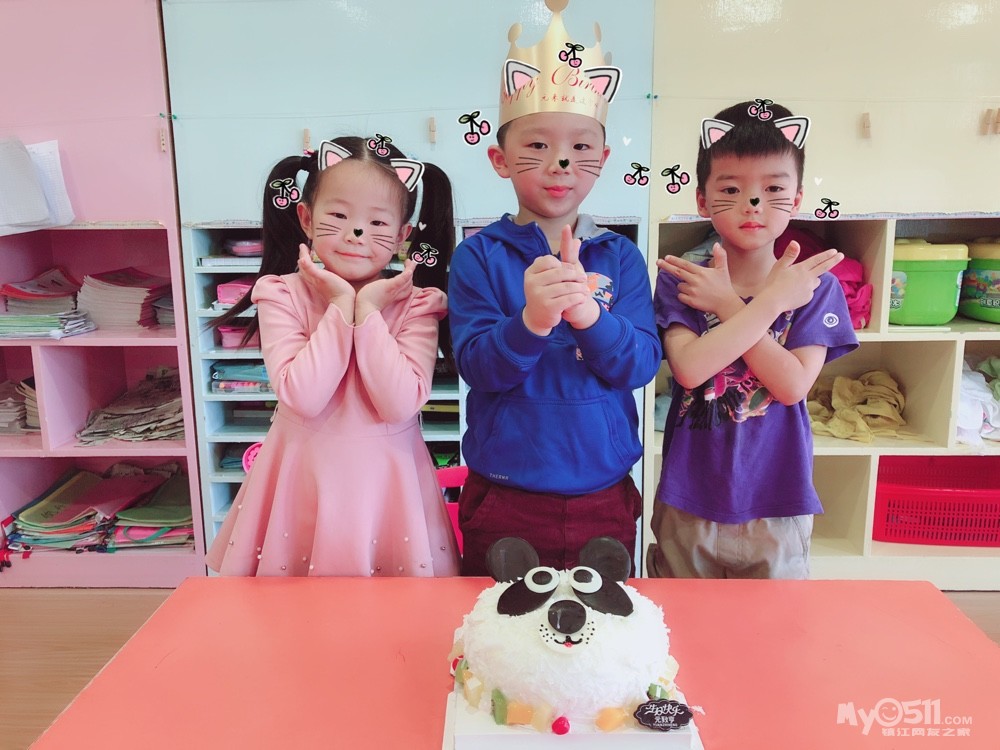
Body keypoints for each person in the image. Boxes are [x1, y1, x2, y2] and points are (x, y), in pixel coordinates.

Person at [448, 0, 661, 575]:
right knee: (496, 619)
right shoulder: (477, 257)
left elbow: (640, 365)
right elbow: (477, 368)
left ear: (603, 159)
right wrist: (532, 322)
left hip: (604, 490)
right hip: (506, 492)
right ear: (500, 160)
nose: (561, 162)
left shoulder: (620, 256)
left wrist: (591, 319)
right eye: (538, 146)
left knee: (605, 620)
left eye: (581, 147)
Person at [206, 135, 460, 577]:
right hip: (301, 479)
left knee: (393, 611)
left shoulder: (417, 304)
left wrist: (370, 311)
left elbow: (399, 403)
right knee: (296, 611)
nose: (355, 233)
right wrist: (343, 306)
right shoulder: (281, 294)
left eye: (377, 222)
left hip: (388, 486)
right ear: (306, 218)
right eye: (338, 215)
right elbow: (303, 396)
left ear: (402, 235)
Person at [647, 101, 859, 579]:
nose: (754, 204)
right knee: (684, 619)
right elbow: (690, 369)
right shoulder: (683, 279)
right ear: (702, 200)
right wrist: (763, 305)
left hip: (778, 499)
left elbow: (792, 385)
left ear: (797, 199)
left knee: (775, 624)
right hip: (689, 497)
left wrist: (729, 306)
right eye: (731, 189)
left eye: (773, 189)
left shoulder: (815, 285)